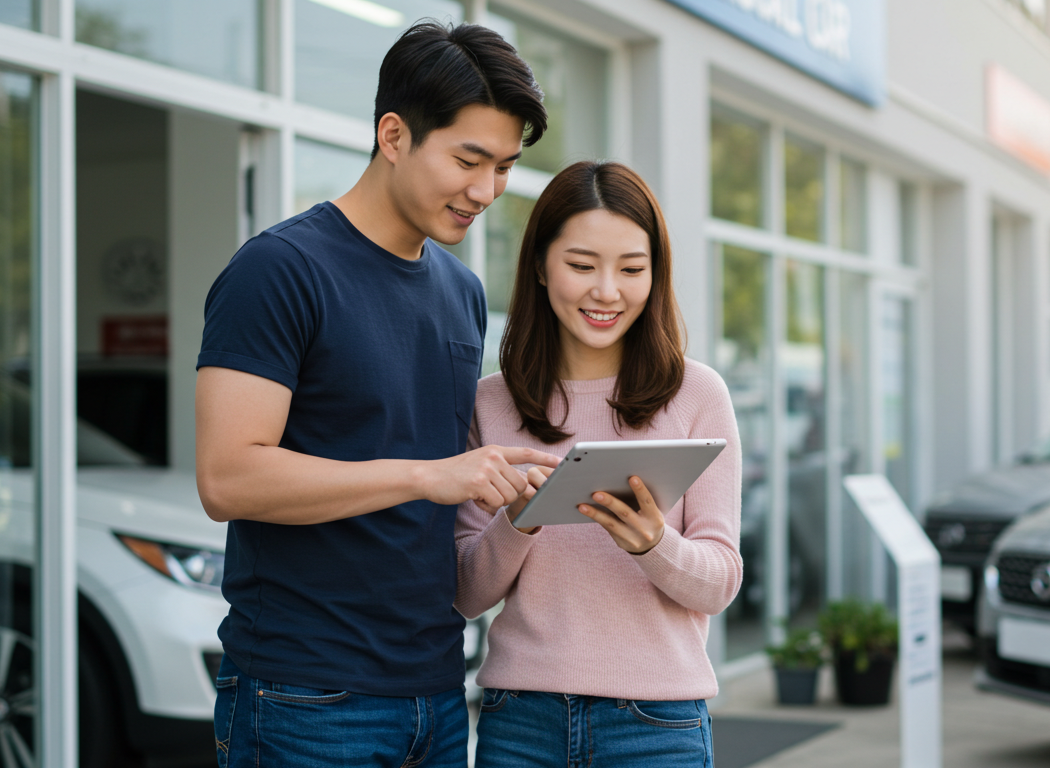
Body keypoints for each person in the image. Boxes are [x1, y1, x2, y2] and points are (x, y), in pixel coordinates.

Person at [194, 21, 559, 768]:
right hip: (304, 697)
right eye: (469, 159)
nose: (486, 190)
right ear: (394, 135)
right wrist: (428, 476)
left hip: (435, 693)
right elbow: (227, 477)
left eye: (505, 167)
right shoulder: (278, 271)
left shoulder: (461, 290)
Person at [454, 161, 743, 767]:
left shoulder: (698, 395)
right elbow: (464, 593)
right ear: (539, 264)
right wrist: (519, 520)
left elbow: (719, 582)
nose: (607, 291)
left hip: (655, 725)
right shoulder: (490, 401)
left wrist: (652, 543)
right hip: (520, 721)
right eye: (582, 266)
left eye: (632, 269)